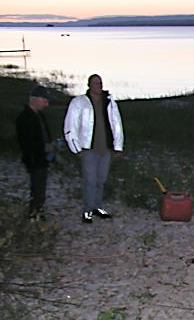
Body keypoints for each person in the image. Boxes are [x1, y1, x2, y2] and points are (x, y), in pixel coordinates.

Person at [64, 74, 124, 224]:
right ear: (89, 85)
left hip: (105, 149)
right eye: (96, 83)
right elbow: (71, 125)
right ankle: (87, 211)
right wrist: (76, 148)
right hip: (88, 149)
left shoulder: (109, 102)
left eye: (100, 83)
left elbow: (117, 124)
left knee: (101, 180)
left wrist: (118, 146)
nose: (99, 85)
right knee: (90, 181)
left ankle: (98, 207)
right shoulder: (79, 103)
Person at [16, 85, 54, 221]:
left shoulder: (40, 115)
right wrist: (34, 156)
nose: (47, 104)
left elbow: (44, 135)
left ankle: (38, 211)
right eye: (45, 100)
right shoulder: (24, 118)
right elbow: (26, 143)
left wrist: (50, 146)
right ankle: (34, 214)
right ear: (36, 99)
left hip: (43, 158)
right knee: (36, 188)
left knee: (40, 187)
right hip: (34, 159)